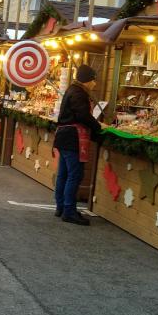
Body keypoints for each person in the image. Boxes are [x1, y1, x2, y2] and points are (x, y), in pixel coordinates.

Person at [53, 64, 102, 226]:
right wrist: (98, 126)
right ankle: (69, 211)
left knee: (64, 174)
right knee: (74, 175)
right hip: (72, 138)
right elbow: (82, 115)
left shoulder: (72, 90)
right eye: (93, 80)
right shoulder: (78, 93)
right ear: (87, 80)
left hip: (64, 137)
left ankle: (61, 206)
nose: (95, 83)